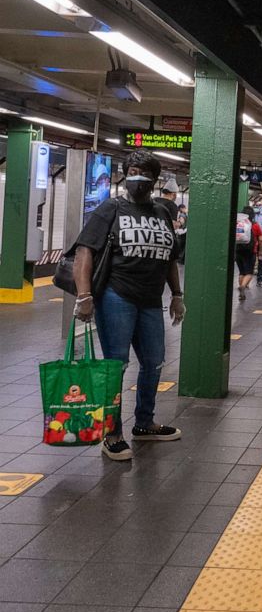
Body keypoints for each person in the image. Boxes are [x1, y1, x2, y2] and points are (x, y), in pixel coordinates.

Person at [71, 150, 184, 462]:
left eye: (144, 172)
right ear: (124, 175)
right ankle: (113, 434)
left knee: (154, 362)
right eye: (133, 170)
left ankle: (144, 424)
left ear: (154, 178)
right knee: (115, 366)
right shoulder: (112, 208)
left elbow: (171, 258)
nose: (138, 177)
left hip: (151, 300)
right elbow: (85, 252)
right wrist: (84, 296)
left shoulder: (162, 212)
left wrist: (177, 294)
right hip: (116, 296)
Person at [235, 206, 262, 301]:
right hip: (250, 251)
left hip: (238, 250)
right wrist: (261, 251)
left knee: (241, 272)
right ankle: (243, 286)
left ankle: (242, 290)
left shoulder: (238, 224)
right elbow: (261, 239)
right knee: (249, 273)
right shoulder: (255, 225)